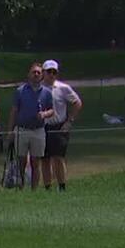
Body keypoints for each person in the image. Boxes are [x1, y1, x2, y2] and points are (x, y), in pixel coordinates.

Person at [6, 63, 53, 190]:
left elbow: (52, 110)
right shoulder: (20, 91)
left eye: (38, 72)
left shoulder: (47, 93)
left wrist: (44, 114)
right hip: (22, 130)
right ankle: (20, 187)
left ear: (42, 75)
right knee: (21, 161)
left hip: (38, 131)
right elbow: (14, 111)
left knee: (35, 162)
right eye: (34, 72)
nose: (36, 74)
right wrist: (10, 131)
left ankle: (34, 190)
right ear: (29, 75)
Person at [40, 59, 81, 191]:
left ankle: (62, 186)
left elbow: (77, 103)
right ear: (43, 73)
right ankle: (47, 187)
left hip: (59, 126)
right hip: (42, 127)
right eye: (49, 72)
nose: (51, 75)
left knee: (58, 157)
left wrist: (69, 121)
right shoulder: (38, 88)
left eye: (54, 72)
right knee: (45, 159)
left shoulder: (63, 88)